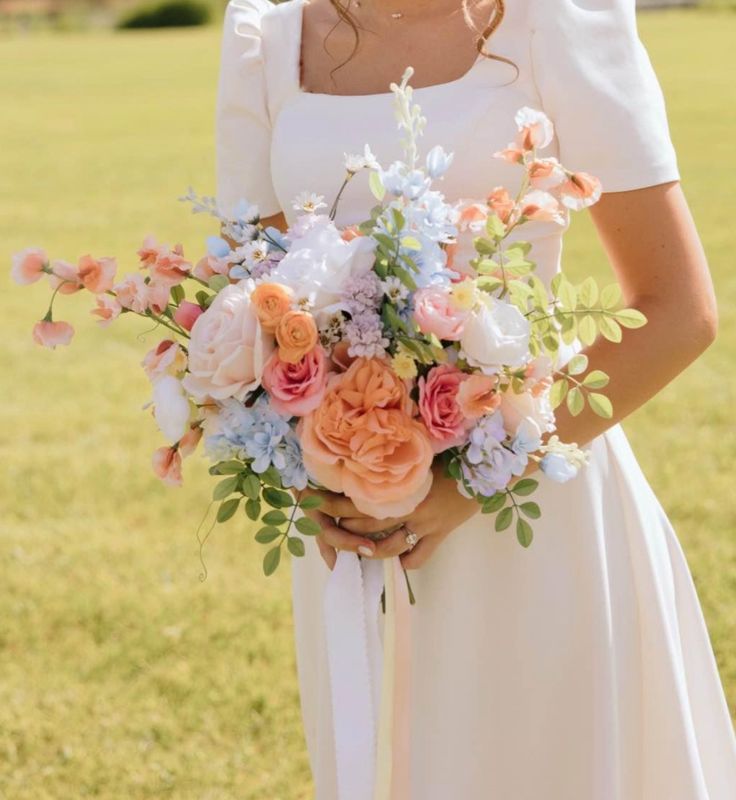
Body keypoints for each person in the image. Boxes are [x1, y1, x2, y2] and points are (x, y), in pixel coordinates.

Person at [214, 0, 736, 796]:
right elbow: (259, 295)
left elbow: (678, 309)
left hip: (533, 505)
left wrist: (474, 479)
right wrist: (310, 467)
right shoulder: (266, 35)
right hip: (351, 518)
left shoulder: (563, 20)